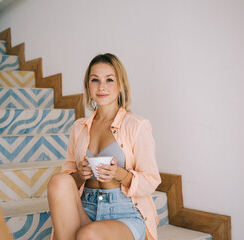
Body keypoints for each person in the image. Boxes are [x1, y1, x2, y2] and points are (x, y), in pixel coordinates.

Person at [48, 53, 161, 240]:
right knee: (58, 181)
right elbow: (68, 182)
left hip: (125, 212)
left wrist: (120, 174)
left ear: (121, 84)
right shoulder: (79, 127)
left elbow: (151, 180)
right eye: (95, 80)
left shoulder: (137, 125)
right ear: (88, 85)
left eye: (109, 80)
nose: (101, 87)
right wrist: (79, 174)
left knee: (88, 235)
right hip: (85, 207)